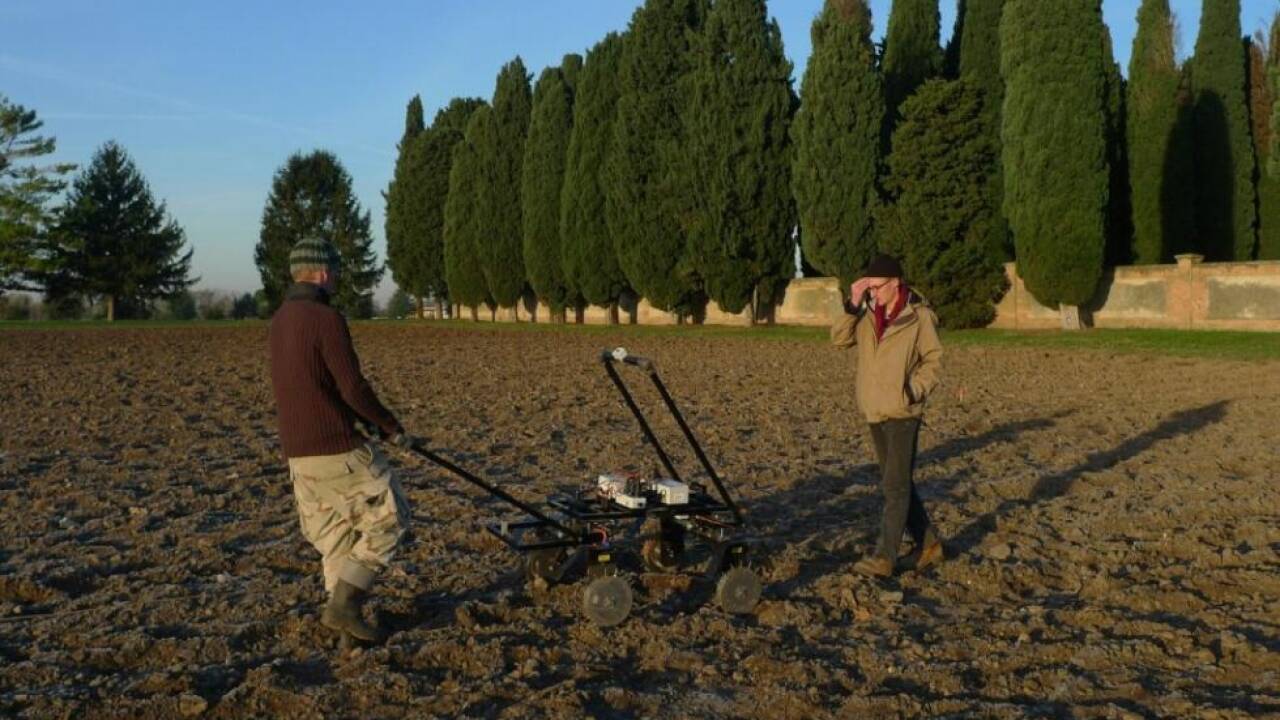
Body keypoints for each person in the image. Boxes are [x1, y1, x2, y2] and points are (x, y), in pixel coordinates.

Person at [268, 237, 415, 642]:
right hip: (336, 448)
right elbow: (351, 386)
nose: (336, 277)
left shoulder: (280, 319)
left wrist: (361, 421)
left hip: (299, 454)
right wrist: (389, 426)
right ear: (322, 271)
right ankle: (344, 605)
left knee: (337, 538)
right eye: (334, 269)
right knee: (391, 516)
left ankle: (347, 633)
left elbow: (313, 385)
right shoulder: (325, 319)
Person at [831, 254, 944, 578]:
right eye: (870, 288)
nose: (874, 293)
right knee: (897, 482)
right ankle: (930, 543)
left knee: (894, 487)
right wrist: (853, 304)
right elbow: (838, 340)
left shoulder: (919, 316)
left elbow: (934, 360)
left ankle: (885, 557)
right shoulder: (866, 315)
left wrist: (912, 391)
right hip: (874, 408)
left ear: (895, 283)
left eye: (878, 287)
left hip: (903, 411)